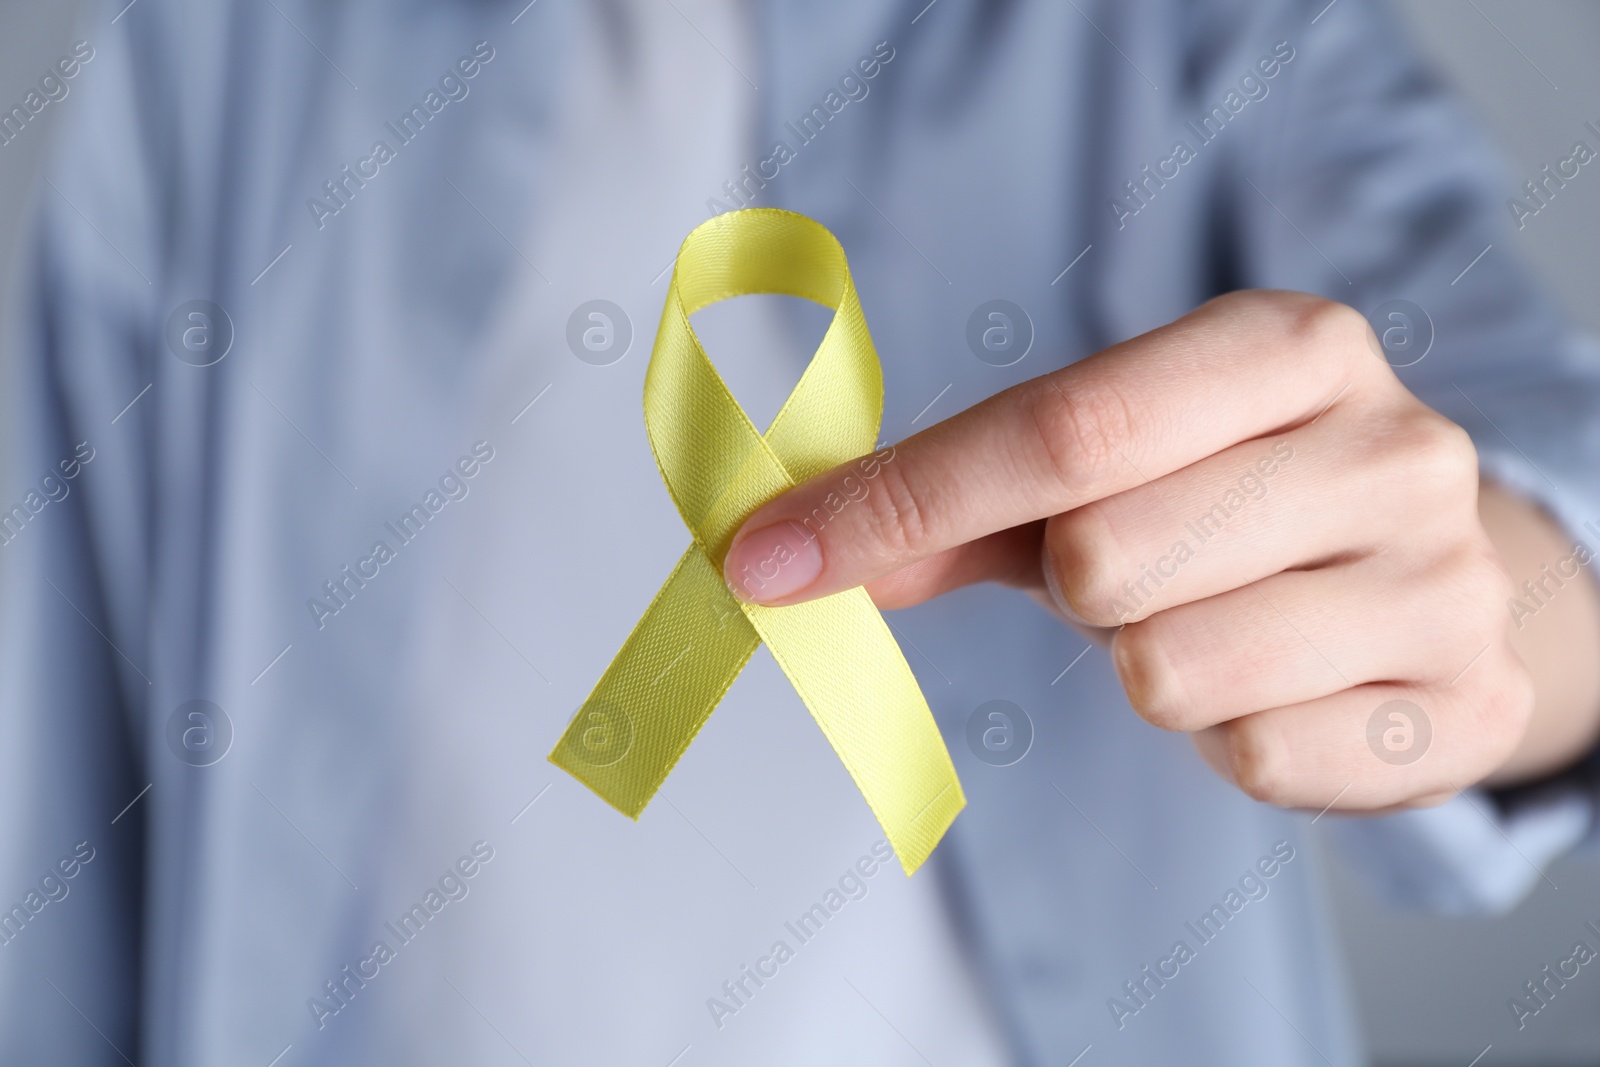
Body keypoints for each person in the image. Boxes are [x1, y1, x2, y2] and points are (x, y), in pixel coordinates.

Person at [1, 0, 1596, 1063]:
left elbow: (1519, 466)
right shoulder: (215, 65)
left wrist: (1480, 610)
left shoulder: (1204, 30)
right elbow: (64, 810)